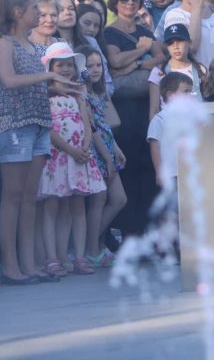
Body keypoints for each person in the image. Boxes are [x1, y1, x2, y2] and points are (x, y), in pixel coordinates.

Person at [0, 0, 78, 284]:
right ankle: (11, 266)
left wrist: (61, 87)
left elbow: (32, 84)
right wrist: (48, 76)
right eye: (33, 10)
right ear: (17, 12)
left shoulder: (28, 45)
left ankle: (29, 264)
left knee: (30, 197)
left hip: (39, 124)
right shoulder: (5, 44)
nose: (39, 14)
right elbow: (9, 80)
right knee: (12, 197)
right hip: (14, 125)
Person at [104, 0, 166, 234]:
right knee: (129, 171)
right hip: (124, 111)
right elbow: (114, 61)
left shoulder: (145, 30)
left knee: (150, 172)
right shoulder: (109, 32)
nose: (130, 2)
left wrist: (135, 65)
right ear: (115, 2)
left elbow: (163, 56)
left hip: (148, 107)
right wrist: (142, 53)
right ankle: (131, 233)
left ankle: (151, 234)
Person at [39, 43, 105, 277]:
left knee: (77, 206)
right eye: (60, 65)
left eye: (69, 65)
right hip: (58, 156)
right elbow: (48, 129)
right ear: (50, 67)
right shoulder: (45, 95)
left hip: (79, 157)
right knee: (53, 206)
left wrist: (84, 147)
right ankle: (54, 256)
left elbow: (87, 124)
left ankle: (78, 256)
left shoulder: (79, 93)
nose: (66, 69)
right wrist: (69, 149)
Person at [77, 45, 127, 268]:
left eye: (98, 65)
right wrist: (107, 156)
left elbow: (105, 124)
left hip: (108, 147)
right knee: (99, 199)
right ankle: (91, 249)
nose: (95, 69)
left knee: (117, 199)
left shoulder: (99, 92)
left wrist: (116, 148)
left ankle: (93, 244)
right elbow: (93, 128)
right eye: (90, 66)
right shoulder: (82, 93)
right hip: (97, 150)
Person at [149, 22, 207, 118]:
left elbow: (207, 102)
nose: (175, 47)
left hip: (197, 124)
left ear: (189, 42)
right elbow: (154, 110)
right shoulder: (159, 72)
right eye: (170, 43)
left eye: (180, 41)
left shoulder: (200, 69)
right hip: (170, 125)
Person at [147, 72, 193, 189]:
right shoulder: (159, 119)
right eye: (186, 92)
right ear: (171, 95)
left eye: (190, 91)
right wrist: (159, 171)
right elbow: (155, 147)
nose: (190, 95)